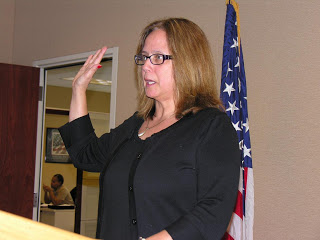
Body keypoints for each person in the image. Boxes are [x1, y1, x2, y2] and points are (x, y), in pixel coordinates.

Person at [59, 18, 240, 240]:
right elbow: (85, 155)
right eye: (143, 57)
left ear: (187, 63)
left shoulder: (211, 127)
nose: (145, 66)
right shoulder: (134, 125)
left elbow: (213, 211)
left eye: (157, 58)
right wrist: (78, 89)